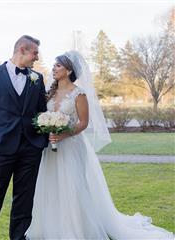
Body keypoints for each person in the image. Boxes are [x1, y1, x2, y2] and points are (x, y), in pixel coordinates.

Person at [25, 50, 174, 240]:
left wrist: (64, 134)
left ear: (69, 70)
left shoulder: (79, 94)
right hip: (51, 147)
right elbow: (40, 116)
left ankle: (75, 230)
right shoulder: (48, 93)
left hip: (71, 145)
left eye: (58, 65)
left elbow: (83, 123)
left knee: (72, 186)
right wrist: (49, 130)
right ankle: (51, 228)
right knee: (51, 185)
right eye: (54, 65)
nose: (53, 68)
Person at [0, 35, 49, 240]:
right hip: (0, 149)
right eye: (35, 53)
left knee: (24, 201)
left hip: (30, 150)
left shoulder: (37, 78)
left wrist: (41, 141)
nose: (37, 58)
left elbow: (41, 112)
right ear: (23, 50)